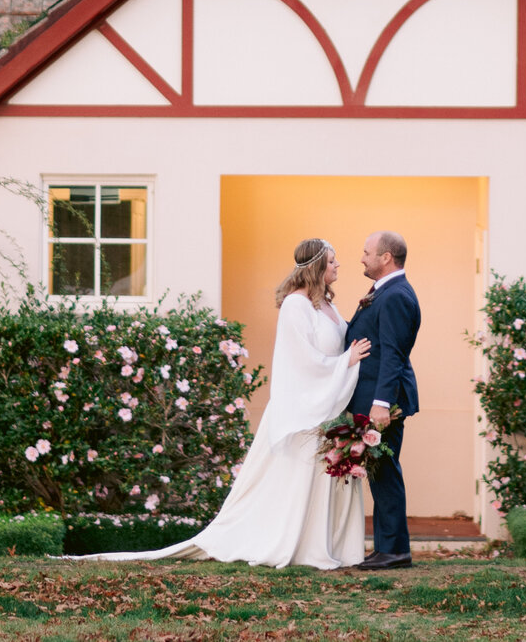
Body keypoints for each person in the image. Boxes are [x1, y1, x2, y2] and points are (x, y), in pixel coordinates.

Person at [76, 237, 372, 569]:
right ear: (317, 267)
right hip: (302, 411)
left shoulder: (327, 304)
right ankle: (297, 545)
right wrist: (346, 362)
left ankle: (326, 544)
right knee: (297, 486)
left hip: (327, 406)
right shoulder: (296, 305)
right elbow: (302, 361)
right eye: (331, 261)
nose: (337, 265)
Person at [342, 229, 419, 571]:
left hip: (384, 401)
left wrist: (382, 403)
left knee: (385, 472)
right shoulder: (384, 291)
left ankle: (394, 550)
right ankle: (389, 547)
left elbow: (392, 354)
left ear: (386, 257)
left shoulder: (395, 296)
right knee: (381, 472)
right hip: (375, 397)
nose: (361, 258)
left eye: (366, 252)